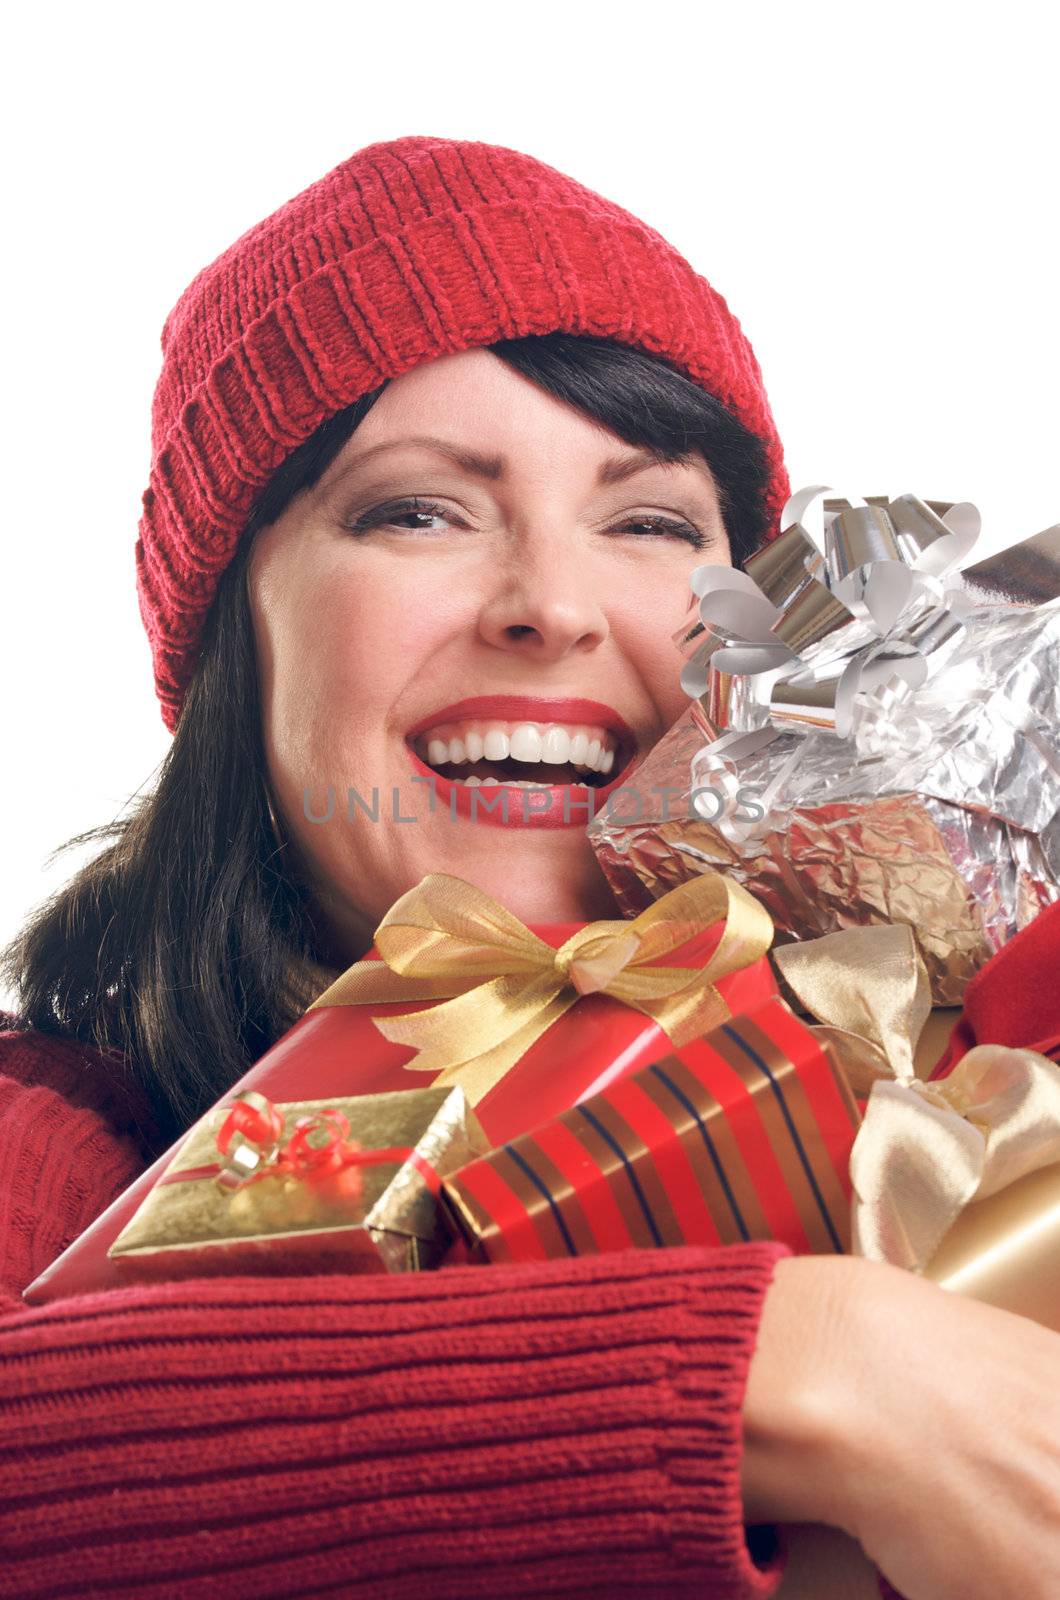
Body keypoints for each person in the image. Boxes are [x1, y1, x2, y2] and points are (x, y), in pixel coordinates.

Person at [1, 135, 1057, 1600]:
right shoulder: (48, 1130)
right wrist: (787, 1364)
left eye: (649, 523)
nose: (553, 605)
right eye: (416, 508)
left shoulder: (965, 1095)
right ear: (230, 644)